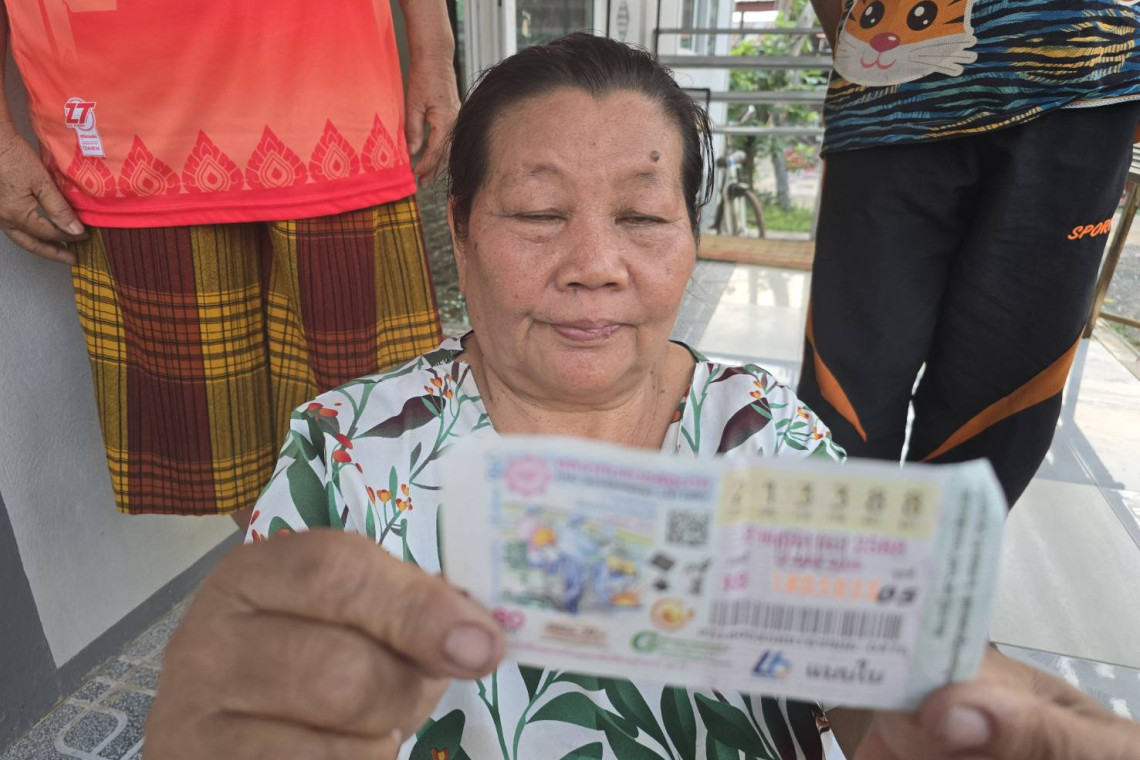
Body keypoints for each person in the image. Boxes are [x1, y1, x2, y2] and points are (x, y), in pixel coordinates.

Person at [143, 35, 1140, 760]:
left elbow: (877, 685)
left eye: (643, 218)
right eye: (538, 213)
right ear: (460, 228)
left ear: (691, 238)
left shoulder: (762, 438)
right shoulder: (350, 450)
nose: (594, 264)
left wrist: (941, 719)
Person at [0, 0, 459, 525]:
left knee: (387, 432)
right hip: (128, 126)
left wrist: (434, 49)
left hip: (332, 100)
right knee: (229, 455)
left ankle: (362, 576)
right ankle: (290, 575)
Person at [799, 0, 1140, 506]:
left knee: (1004, 402)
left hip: (1086, 79)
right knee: (846, 393)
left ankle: (941, 555)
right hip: (891, 77)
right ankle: (839, 553)